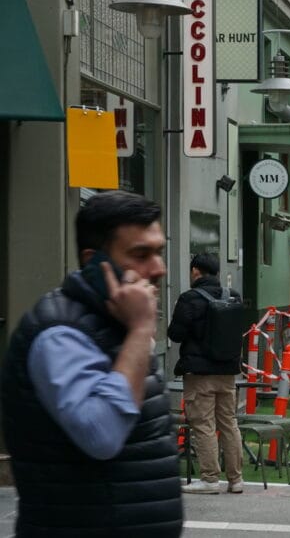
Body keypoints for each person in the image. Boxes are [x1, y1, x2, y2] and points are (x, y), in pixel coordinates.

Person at [0, 190, 183, 536]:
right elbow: (102, 435)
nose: (158, 268)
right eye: (140, 254)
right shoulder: (59, 335)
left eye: (158, 251)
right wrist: (142, 329)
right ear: (93, 261)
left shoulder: (117, 324)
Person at [167, 252, 245, 495]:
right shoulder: (233, 297)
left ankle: (210, 479)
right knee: (229, 423)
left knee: (203, 424)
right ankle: (236, 479)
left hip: (200, 374)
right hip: (228, 373)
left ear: (195, 271)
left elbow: (175, 334)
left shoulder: (189, 299)